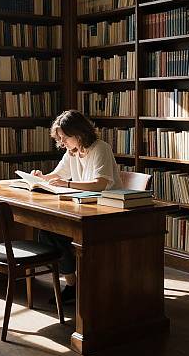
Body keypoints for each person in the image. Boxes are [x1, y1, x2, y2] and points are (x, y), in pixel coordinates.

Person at [31, 109, 122, 302]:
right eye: (60, 138)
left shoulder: (100, 148)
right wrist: (40, 178)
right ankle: (73, 284)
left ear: (78, 133)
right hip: (85, 207)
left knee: (55, 234)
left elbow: (100, 184)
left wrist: (68, 184)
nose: (62, 143)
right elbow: (58, 175)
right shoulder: (72, 152)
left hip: (107, 211)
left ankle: (81, 285)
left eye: (64, 138)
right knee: (47, 230)